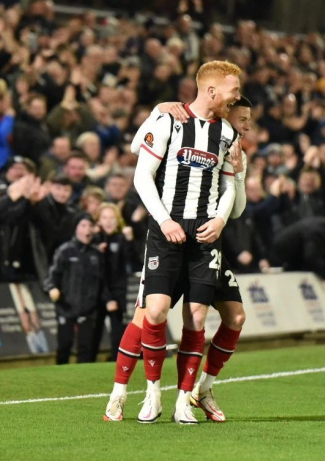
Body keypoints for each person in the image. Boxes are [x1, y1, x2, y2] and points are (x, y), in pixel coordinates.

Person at [106, 61, 242, 425]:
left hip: (204, 235)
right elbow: (141, 174)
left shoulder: (228, 134)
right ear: (211, 90)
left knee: (197, 317)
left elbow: (229, 185)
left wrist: (219, 219)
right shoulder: (169, 121)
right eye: (233, 89)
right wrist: (164, 220)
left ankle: (185, 399)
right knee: (153, 312)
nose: (237, 96)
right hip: (165, 231)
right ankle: (150, 395)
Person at [43, 213, 113, 365]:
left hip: (88, 309)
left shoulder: (96, 254)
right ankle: (59, 377)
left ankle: (84, 382)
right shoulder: (65, 251)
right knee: (64, 345)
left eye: (89, 226)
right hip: (66, 307)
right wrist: (52, 288)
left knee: (86, 348)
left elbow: (102, 282)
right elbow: (52, 276)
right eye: (83, 225)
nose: (87, 230)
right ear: (76, 228)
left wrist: (108, 299)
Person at [92, 203, 136, 362]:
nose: (108, 221)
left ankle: (116, 363)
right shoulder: (93, 240)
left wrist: (130, 240)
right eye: (104, 218)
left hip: (117, 292)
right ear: (98, 221)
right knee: (93, 333)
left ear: (118, 220)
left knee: (118, 332)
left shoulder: (122, 239)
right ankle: (87, 364)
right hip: (97, 292)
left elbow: (133, 263)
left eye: (112, 218)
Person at [268, 216, 325, 280]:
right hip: (281, 253)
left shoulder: (324, 228)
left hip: (291, 253)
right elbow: (310, 257)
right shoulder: (317, 232)